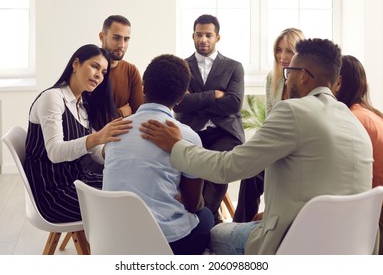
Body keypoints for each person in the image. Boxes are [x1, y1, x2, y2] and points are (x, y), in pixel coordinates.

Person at [139, 38, 373, 254]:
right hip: (349, 246)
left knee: (214, 232)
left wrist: (177, 145)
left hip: (296, 243)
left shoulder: (293, 110)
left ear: (302, 76)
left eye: (288, 72)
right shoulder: (353, 122)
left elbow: (228, 167)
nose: (286, 78)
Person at [103, 54, 214, 255]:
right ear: (181, 97)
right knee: (206, 216)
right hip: (161, 246)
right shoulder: (187, 136)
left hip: (111, 241)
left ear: (143, 87)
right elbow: (193, 205)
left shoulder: (115, 130)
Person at [24, 44, 131, 223]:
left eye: (104, 72)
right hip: (53, 194)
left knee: (129, 186)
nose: (99, 75)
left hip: (78, 181)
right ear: (75, 64)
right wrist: (98, 136)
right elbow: (55, 152)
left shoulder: (82, 104)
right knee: (124, 207)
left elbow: (95, 151)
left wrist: (116, 148)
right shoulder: (53, 98)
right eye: (95, 66)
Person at [173, 14, 245, 225]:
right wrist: (213, 95)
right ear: (192, 36)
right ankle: (209, 220)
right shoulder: (181, 66)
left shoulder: (234, 66)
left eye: (208, 35)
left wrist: (193, 99)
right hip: (191, 131)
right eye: (198, 35)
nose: (203, 39)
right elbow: (179, 104)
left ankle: (203, 218)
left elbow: (234, 103)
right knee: (187, 165)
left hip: (225, 132)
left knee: (216, 165)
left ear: (217, 37)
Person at [234, 28, 305, 223]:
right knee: (249, 174)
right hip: (275, 145)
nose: (282, 56)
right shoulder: (272, 78)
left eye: (289, 51)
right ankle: (240, 226)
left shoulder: (305, 82)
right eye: (279, 50)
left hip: (295, 150)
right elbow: (269, 120)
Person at [332, 55, 383, 254]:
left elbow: (339, 177)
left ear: (339, 82)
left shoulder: (354, 119)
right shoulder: (370, 113)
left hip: (376, 210)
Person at [99, 15, 144, 118]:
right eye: (116, 38)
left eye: (126, 39)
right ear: (102, 37)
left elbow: (139, 115)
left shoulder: (131, 71)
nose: (122, 45)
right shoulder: (89, 69)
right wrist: (121, 113)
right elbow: (87, 118)